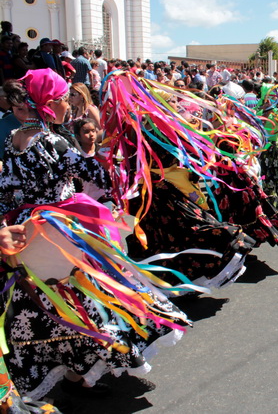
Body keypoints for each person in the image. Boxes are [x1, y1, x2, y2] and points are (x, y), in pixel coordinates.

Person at [0, 69, 188, 399]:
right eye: (61, 99)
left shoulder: (12, 140)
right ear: (49, 103)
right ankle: (84, 369)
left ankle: (63, 370)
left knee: (42, 302)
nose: (66, 107)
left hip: (26, 235)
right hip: (61, 235)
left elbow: (4, 193)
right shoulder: (53, 143)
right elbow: (100, 177)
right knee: (88, 298)